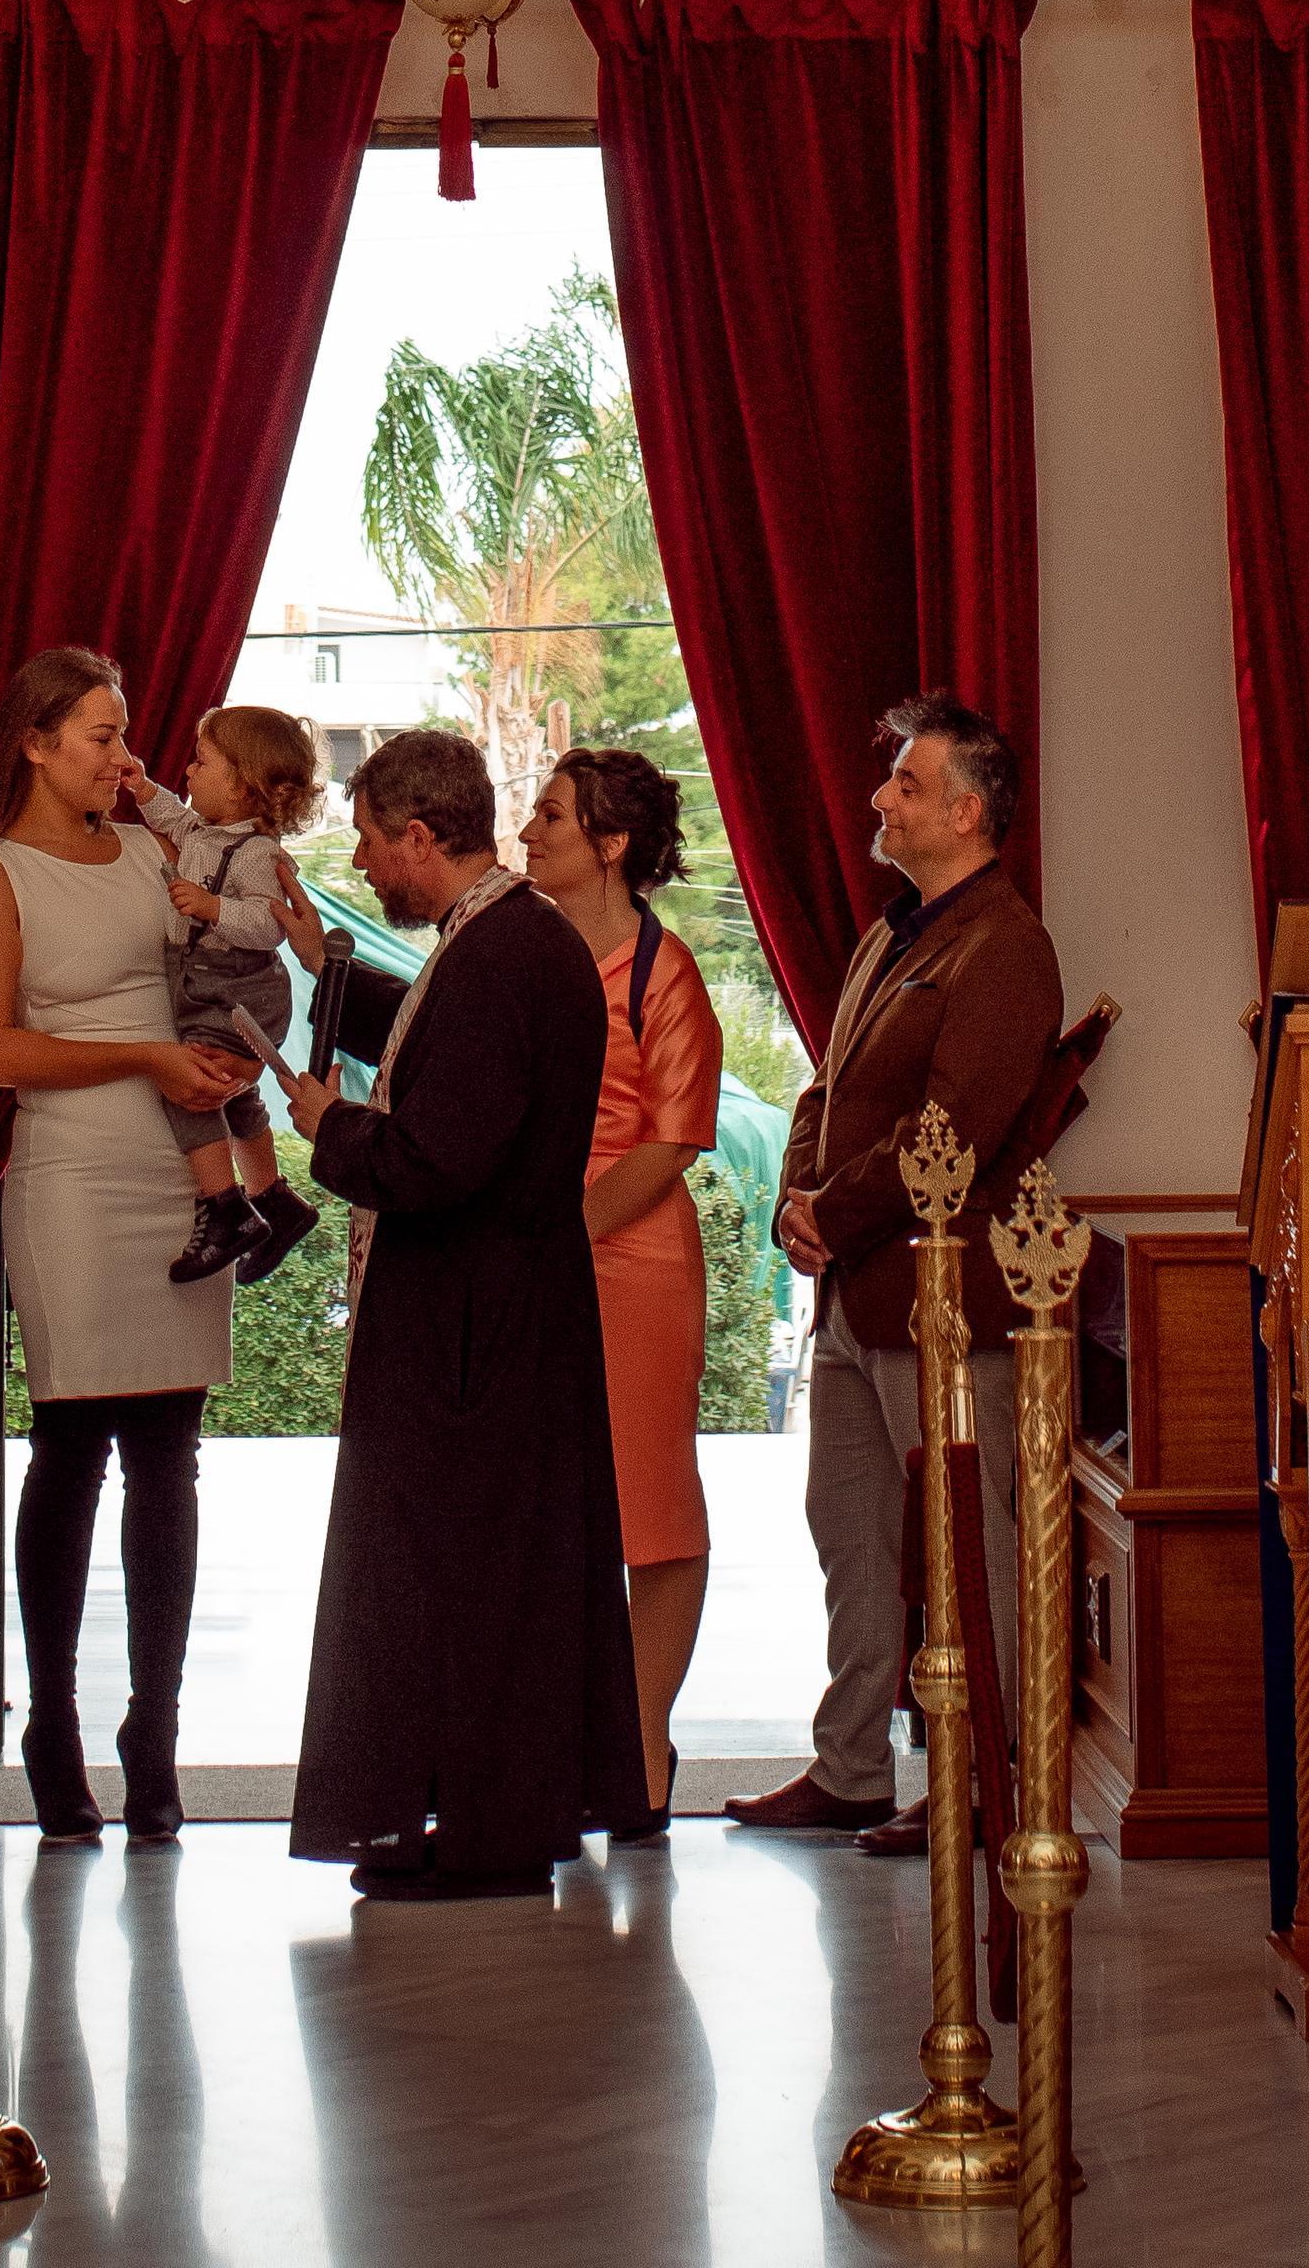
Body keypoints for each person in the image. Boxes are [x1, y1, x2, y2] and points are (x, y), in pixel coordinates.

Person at [280, 725, 645, 1900]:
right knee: (494, 1575)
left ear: (421, 835)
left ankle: (483, 1833)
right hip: (502, 1313)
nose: (369, 865)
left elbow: (440, 1155)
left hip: (473, 1329)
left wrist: (328, 1130)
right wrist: (327, 972)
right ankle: (489, 1814)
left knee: (465, 1580)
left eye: (375, 843)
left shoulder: (499, 953)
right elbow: (442, 1048)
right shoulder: (503, 939)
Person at [727, 691, 1061, 1847]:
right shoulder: (893, 929)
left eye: (906, 785)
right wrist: (791, 1197)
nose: (879, 797)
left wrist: (833, 1205)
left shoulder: (1005, 945)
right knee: (851, 1534)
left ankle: (993, 1785)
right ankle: (851, 1765)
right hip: (849, 1290)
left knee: (973, 1548)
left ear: (966, 811)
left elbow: (953, 1129)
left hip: (943, 1302)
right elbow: (824, 1087)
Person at [0, 645, 248, 1845]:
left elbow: (218, 964)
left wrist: (220, 1054)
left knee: (170, 1451)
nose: (124, 757)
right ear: (34, 741)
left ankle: (153, 1733)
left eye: (126, 734)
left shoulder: (151, 853)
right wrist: (140, 1055)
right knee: (69, 1442)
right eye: (100, 735)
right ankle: (52, 1726)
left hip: (181, 1156)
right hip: (70, 1169)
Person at [520, 746, 724, 1836]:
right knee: (546, 1507)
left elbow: (675, 1139)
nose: (526, 831)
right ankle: (563, 1740)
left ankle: (641, 1745)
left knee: (652, 1507)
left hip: (632, 1260)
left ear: (609, 844)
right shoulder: (518, 946)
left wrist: (560, 1236)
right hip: (536, 1253)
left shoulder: (665, 969)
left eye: (549, 815)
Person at [121, 708, 324, 1289]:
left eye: (201, 762)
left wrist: (212, 909)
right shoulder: (206, 831)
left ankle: (225, 1207)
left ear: (240, 784)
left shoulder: (259, 854)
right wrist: (141, 787)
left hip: (236, 986)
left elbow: (267, 926)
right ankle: (276, 1200)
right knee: (234, 1095)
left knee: (193, 1089)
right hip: (206, 982)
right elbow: (171, 815)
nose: (187, 772)